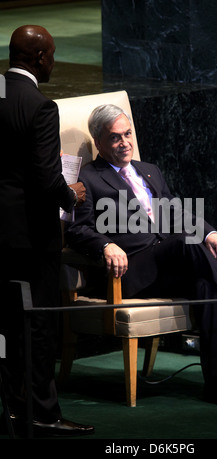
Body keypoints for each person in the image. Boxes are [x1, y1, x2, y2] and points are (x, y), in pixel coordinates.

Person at [65, 104, 217, 409]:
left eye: (128, 134)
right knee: (184, 245)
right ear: (99, 141)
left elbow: (176, 211)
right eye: (115, 138)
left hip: (168, 268)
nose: (125, 142)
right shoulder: (88, 178)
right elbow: (77, 229)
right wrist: (105, 245)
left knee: (207, 288)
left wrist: (210, 232)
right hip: (130, 272)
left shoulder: (149, 170)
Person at [0, 25, 94, 436]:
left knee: (4, 324)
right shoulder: (39, 105)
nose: (53, 61)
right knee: (38, 324)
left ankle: (13, 408)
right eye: (52, 54)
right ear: (39, 59)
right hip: (29, 238)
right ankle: (43, 413)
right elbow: (43, 175)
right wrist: (70, 195)